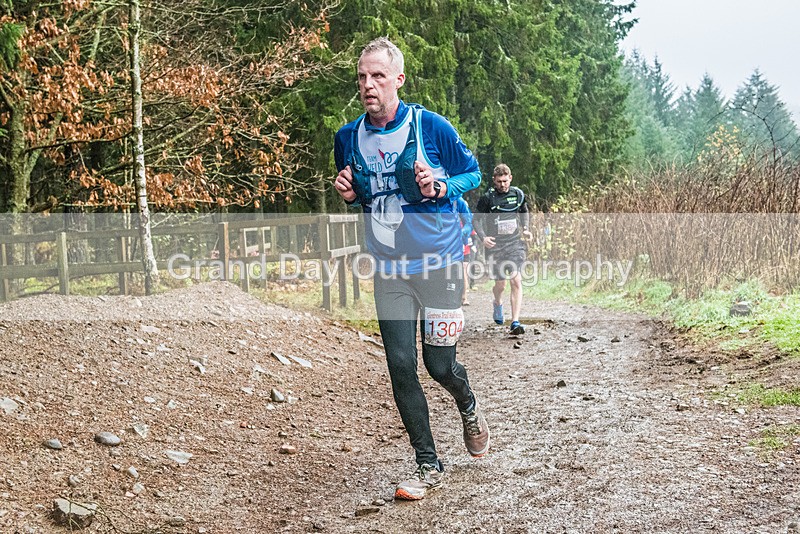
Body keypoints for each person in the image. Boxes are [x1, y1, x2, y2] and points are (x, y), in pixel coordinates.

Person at [333, 38, 489, 501]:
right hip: (389, 270)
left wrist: (441, 185)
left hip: (440, 265)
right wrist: (350, 195)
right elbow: (363, 194)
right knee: (401, 365)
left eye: (378, 76)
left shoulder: (430, 126)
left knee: (439, 365)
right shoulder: (347, 137)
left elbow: (472, 173)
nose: (368, 85)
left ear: (398, 79)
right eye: (362, 76)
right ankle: (427, 463)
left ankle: (467, 402)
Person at [474, 163, 533, 336]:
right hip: (495, 246)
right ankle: (497, 302)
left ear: (510, 178)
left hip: (514, 244)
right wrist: (483, 237)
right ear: (494, 180)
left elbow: (524, 210)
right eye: (499, 181)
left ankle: (515, 322)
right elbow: (476, 219)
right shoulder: (488, 198)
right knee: (500, 284)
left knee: (516, 280)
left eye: (505, 181)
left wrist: (526, 228)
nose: (502, 185)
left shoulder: (518, 194)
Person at [455, 196, 475, 306]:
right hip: (451, 245)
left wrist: (473, 244)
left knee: (463, 271)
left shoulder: (466, 219)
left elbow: (471, 230)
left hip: (464, 246)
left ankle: (464, 297)